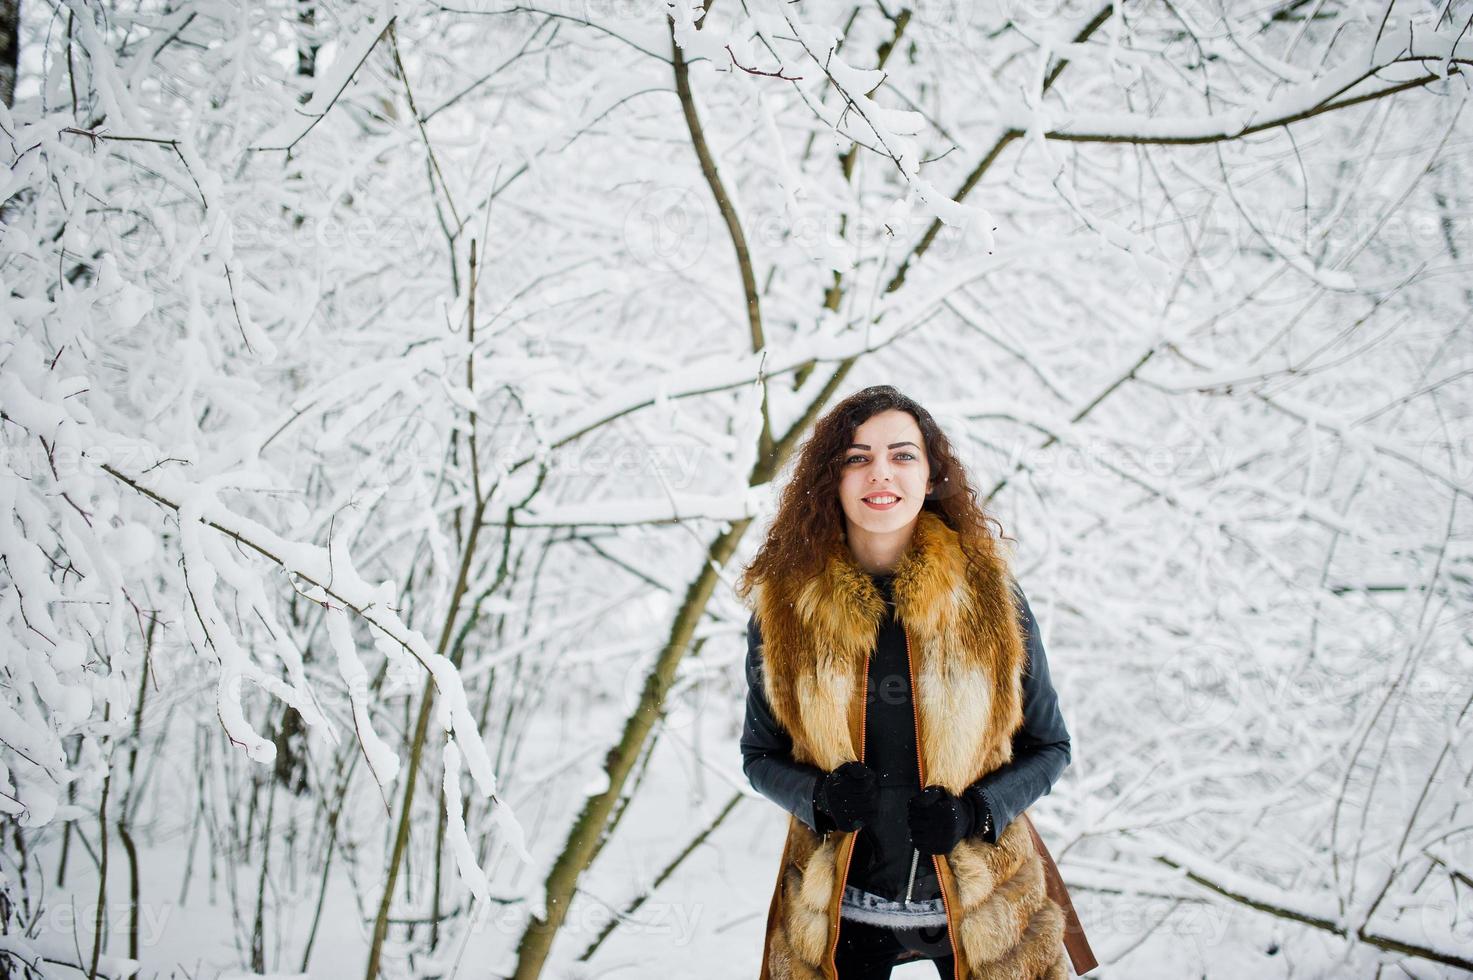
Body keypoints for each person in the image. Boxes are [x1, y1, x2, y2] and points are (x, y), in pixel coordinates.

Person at [736, 385, 1091, 980]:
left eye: (903, 455)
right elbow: (759, 756)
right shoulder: (784, 610)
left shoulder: (991, 600)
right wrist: (818, 799)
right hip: (834, 917)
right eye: (857, 457)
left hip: (988, 912)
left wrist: (978, 811)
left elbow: (1050, 748)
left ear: (930, 477)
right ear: (833, 478)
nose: (881, 472)